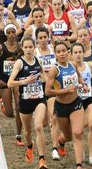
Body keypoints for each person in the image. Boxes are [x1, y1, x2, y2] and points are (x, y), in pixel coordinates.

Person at [7, 37, 48, 168]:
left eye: (31, 47)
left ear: (34, 47)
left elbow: (45, 78)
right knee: (27, 132)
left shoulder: (38, 60)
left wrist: (45, 84)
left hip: (39, 99)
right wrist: (24, 82)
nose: (29, 50)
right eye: (26, 47)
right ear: (22, 48)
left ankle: (42, 159)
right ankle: (30, 146)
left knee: (38, 126)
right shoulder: (19, 63)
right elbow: (9, 83)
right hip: (25, 101)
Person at [45, 42, 86, 169]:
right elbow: (47, 91)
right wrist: (65, 91)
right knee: (68, 136)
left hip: (76, 103)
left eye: (64, 51)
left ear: (68, 52)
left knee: (78, 133)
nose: (62, 54)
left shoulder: (73, 65)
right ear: (56, 54)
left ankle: (79, 164)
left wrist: (83, 84)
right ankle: (61, 142)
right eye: (59, 52)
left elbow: (79, 77)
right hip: (61, 106)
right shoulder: (54, 70)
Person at [0, 23, 23, 146]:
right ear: (6, 34)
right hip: (4, 81)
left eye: (13, 32)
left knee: (19, 107)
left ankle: (18, 136)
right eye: (9, 32)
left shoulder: (20, 47)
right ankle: (2, 104)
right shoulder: (0, 48)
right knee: (9, 113)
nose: (11, 35)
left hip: (17, 80)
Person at [71, 43, 92, 166]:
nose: (78, 55)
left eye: (80, 52)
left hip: (89, 98)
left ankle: (91, 155)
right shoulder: (71, 68)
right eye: (76, 52)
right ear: (72, 54)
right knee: (80, 129)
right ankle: (82, 152)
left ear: (83, 53)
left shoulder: (89, 65)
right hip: (77, 101)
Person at [34, 27, 60, 160]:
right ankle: (36, 140)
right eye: (40, 38)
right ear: (37, 40)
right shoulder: (34, 52)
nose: (43, 40)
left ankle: (55, 148)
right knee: (42, 123)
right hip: (39, 87)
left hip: (52, 87)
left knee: (53, 117)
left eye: (45, 37)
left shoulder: (54, 50)